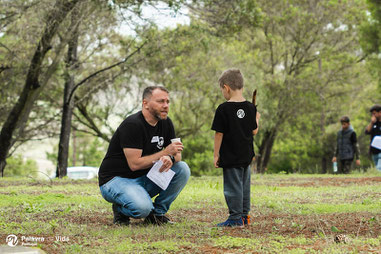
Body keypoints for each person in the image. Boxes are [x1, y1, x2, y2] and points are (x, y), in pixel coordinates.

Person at [98, 86, 190, 226]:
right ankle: (121, 209)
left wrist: (169, 158)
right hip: (116, 180)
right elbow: (134, 164)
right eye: (160, 101)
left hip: (143, 178)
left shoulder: (166, 123)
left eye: (167, 101)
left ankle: (156, 214)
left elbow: (177, 156)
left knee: (182, 169)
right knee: (142, 209)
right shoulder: (132, 124)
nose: (165, 106)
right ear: (145, 103)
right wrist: (164, 153)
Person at [211, 68, 260, 227]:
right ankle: (245, 217)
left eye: (222, 90)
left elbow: (219, 134)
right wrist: (256, 118)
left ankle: (235, 218)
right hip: (246, 156)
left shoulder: (223, 109)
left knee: (233, 188)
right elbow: (254, 131)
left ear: (226, 88)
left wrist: (216, 155)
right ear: (242, 87)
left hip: (231, 156)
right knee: (244, 187)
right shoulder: (250, 108)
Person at [365, 104, 381, 171]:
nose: (373, 115)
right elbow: (367, 132)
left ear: (380, 112)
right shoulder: (374, 123)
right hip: (374, 151)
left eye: (374, 113)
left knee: (379, 169)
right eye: (372, 114)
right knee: (377, 169)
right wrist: (371, 123)